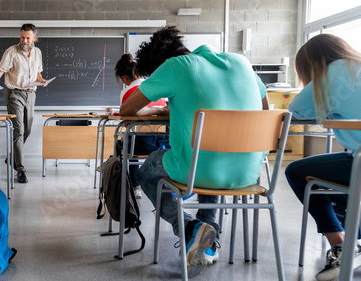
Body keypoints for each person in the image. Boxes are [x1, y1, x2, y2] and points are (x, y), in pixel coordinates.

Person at [120, 26, 268, 277]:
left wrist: (157, 110)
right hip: (249, 172)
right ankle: (208, 242)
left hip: (199, 169)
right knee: (213, 155)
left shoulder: (176, 66)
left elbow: (127, 108)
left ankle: (191, 228)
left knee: (146, 173)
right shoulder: (242, 62)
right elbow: (264, 108)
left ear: (162, 62)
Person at [284, 34, 361, 281]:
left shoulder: (332, 73)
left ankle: (340, 244)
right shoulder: (356, 65)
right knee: (334, 173)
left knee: (297, 171)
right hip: (356, 156)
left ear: (312, 63)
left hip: (360, 160)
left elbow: (297, 109)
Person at [0, 23, 46, 183]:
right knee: (18, 130)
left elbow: (38, 73)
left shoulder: (38, 52)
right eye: (22, 37)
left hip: (31, 93)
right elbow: (0, 70)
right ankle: (20, 169)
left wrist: (41, 80)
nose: (24, 41)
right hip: (14, 94)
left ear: (34, 38)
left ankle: (12, 157)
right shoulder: (11, 52)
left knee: (28, 129)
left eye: (28, 38)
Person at [114, 53, 168, 198]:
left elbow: (126, 121)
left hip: (141, 145)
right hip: (161, 144)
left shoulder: (127, 92)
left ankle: (135, 185)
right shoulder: (159, 91)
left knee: (125, 140)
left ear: (124, 78)